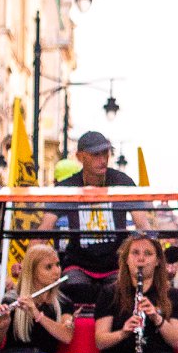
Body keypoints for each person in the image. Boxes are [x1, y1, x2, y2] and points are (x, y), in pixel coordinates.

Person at [42, 131, 138, 314]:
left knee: (123, 294)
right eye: (95, 155)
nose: (102, 160)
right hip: (78, 262)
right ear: (80, 157)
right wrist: (27, 262)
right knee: (71, 289)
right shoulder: (67, 188)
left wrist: (157, 258)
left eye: (105, 153)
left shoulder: (122, 182)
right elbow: (43, 231)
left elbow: (143, 225)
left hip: (116, 263)